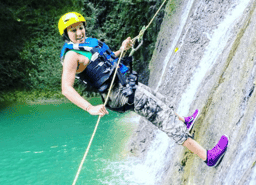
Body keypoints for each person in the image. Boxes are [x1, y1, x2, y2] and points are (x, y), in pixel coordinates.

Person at [58, 12, 228, 167]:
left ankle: (185, 121)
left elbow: (107, 59)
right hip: (119, 93)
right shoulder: (71, 56)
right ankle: (208, 157)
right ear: (66, 34)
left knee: (159, 100)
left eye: (80, 27)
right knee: (162, 116)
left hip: (124, 82)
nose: (79, 33)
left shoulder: (88, 44)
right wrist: (90, 108)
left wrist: (122, 49)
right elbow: (66, 88)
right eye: (73, 30)